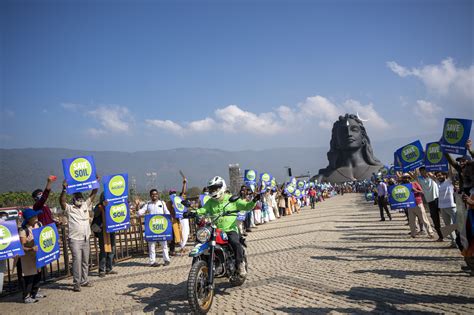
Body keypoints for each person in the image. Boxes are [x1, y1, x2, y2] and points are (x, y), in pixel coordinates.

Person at [189, 176, 258, 276]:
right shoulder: (210, 202)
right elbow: (202, 210)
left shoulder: (231, 199)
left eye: (215, 188)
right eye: (211, 189)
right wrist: (192, 212)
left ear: (222, 187)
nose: (213, 191)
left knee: (235, 242)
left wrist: (254, 201)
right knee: (202, 240)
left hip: (230, 229)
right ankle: (203, 266)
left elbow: (246, 206)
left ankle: (240, 264)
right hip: (215, 230)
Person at [59, 179, 98, 292]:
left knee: (86, 261)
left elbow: (93, 194)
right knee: (77, 261)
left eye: (81, 197)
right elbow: (61, 201)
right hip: (75, 239)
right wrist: (64, 189)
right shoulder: (69, 208)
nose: (80, 199)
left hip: (86, 238)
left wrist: (95, 183)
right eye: (77, 198)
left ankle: (84, 280)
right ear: (73, 199)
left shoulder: (85, 205)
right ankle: (77, 283)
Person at [136, 189, 171, 266]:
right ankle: (152, 262)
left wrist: (168, 219)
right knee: (151, 245)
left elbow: (167, 212)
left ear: (158, 195)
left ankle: (166, 260)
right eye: (152, 194)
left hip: (162, 227)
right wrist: (137, 206)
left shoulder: (162, 203)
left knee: (164, 244)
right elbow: (139, 213)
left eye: (155, 194)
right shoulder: (148, 204)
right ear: (150, 195)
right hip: (152, 228)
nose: (154, 195)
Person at [18, 209, 44, 303]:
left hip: (37, 255)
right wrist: (31, 248)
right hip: (28, 257)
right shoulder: (23, 230)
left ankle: (34, 292)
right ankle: (26, 296)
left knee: (38, 274)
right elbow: (22, 246)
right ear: (29, 219)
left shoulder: (39, 225)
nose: (36, 217)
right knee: (29, 276)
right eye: (34, 216)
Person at [401, 173, 434, 238]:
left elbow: (422, 192)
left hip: (418, 203)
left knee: (424, 219)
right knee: (412, 221)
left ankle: (431, 233)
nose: (405, 179)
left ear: (409, 178)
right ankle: (413, 234)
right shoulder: (402, 186)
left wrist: (415, 190)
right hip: (410, 205)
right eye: (404, 178)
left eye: (407, 177)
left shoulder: (415, 183)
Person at [92, 193, 117, 277]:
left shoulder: (112, 206)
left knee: (112, 249)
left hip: (111, 230)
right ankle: (101, 270)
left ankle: (109, 268)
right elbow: (95, 214)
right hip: (102, 231)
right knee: (103, 250)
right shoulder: (98, 206)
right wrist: (102, 205)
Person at [417, 167, 443, 241]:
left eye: (425, 170)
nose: (423, 172)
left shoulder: (433, 177)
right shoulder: (420, 179)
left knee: (444, 218)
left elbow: (434, 176)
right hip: (430, 201)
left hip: (438, 199)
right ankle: (441, 236)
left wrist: (429, 170)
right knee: (435, 219)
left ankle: (452, 236)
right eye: (421, 171)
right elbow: (414, 175)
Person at [435, 171, 457, 248]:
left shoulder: (449, 182)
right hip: (442, 207)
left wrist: (448, 163)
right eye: (437, 176)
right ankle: (454, 242)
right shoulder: (438, 183)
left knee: (457, 224)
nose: (439, 177)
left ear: (445, 175)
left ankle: (462, 242)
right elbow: (431, 175)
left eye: (440, 175)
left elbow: (451, 173)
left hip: (451, 206)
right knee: (448, 226)